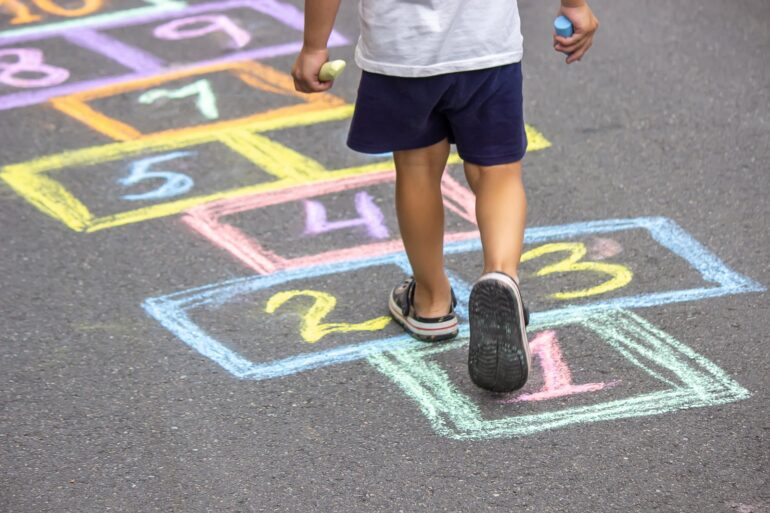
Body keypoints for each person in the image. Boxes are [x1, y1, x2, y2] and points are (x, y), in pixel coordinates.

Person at [292, 0, 598, 392]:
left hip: (402, 51)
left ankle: (431, 302)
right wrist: (574, 5)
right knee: (497, 173)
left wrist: (314, 46)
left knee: (418, 168)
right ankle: (502, 277)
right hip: (486, 43)